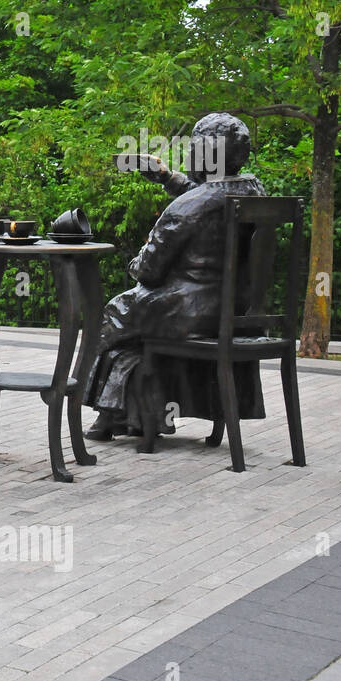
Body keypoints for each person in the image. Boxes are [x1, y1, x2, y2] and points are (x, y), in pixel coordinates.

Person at [84, 113, 268, 439]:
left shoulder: (188, 207)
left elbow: (147, 272)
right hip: (235, 311)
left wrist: (140, 257)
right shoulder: (255, 192)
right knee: (138, 335)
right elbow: (210, 193)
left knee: (116, 313)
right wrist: (167, 177)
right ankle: (138, 416)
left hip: (190, 311)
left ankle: (88, 402)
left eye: (194, 145)